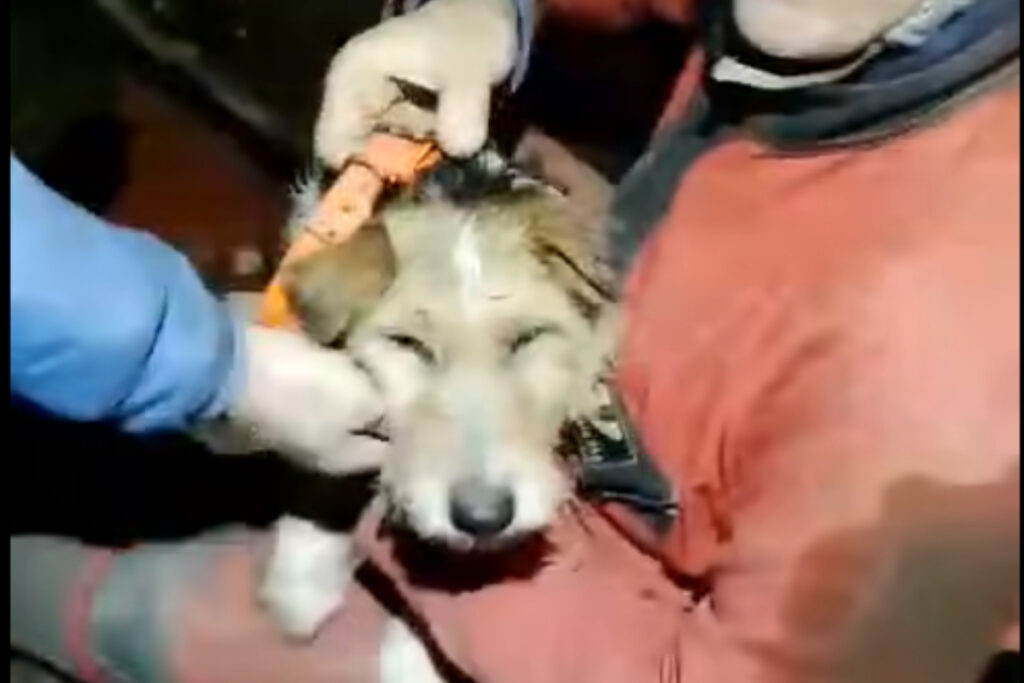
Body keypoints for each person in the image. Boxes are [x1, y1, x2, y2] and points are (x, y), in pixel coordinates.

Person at [10, 0, 1019, 681]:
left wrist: (387, 539)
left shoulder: (942, 361)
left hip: (600, 623)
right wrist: (493, 13)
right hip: (592, 497)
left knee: (151, 611)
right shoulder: (835, 25)